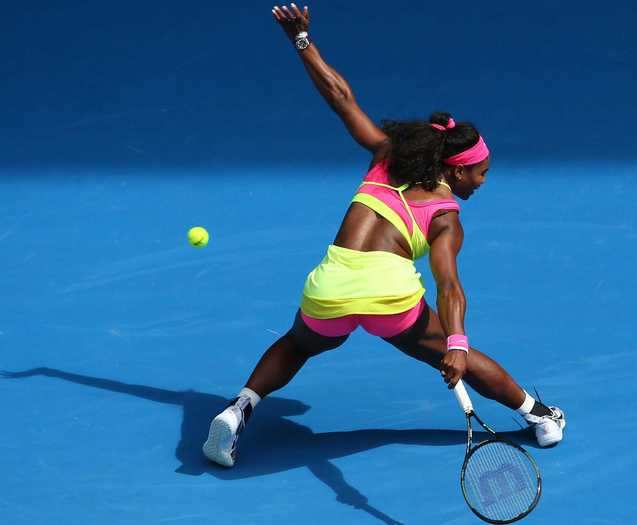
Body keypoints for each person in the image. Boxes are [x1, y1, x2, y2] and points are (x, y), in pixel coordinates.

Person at [203, 3, 565, 468]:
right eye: (480, 173)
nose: (483, 182)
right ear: (456, 171)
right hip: (390, 298)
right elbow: (448, 284)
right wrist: (453, 344)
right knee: (460, 355)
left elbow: (340, 97)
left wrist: (302, 41)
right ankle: (540, 416)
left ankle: (237, 412)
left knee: (298, 344)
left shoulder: (386, 156)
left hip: (330, 284)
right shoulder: (445, 216)